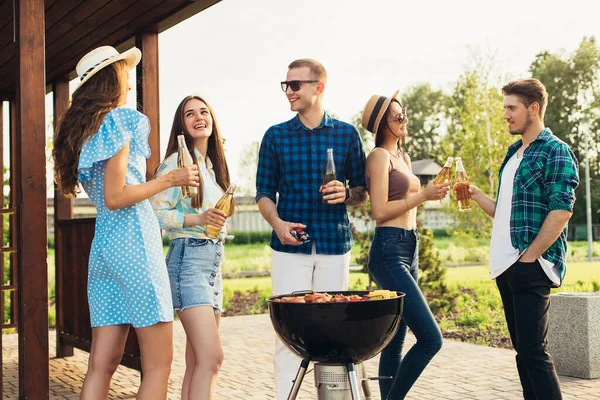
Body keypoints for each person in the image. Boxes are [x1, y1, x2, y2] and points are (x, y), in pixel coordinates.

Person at [52, 46, 199, 399]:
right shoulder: (119, 121)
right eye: (124, 75)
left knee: (101, 364)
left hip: (104, 247)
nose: (129, 85)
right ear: (111, 79)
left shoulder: (82, 134)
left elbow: (105, 198)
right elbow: (116, 196)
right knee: (159, 365)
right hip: (134, 241)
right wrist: (170, 179)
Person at [255, 58, 368, 399]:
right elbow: (263, 193)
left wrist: (347, 193)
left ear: (318, 88)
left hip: (335, 247)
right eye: (286, 85)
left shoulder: (347, 134)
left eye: (295, 85)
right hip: (289, 250)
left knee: (335, 334)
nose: (288, 91)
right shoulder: (275, 136)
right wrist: (277, 224)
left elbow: (363, 190)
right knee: (288, 335)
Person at [465, 78, 579, 400]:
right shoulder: (514, 153)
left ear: (534, 108)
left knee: (534, 352)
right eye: (504, 108)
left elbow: (560, 211)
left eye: (511, 108)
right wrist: (476, 195)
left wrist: (529, 258)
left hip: (531, 264)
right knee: (523, 352)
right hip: (506, 266)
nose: (505, 115)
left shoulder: (556, 151)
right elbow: (505, 212)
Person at [361, 91, 449, 400]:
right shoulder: (379, 157)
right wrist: (423, 195)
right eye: (397, 117)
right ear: (383, 125)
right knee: (430, 339)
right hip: (388, 250)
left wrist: (431, 193)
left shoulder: (404, 157)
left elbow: (408, 205)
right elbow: (381, 211)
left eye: (404, 114)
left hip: (409, 246)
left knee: (397, 338)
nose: (404, 120)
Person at [150, 95, 233, 400]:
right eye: (189, 114)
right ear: (181, 124)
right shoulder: (176, 162)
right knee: (212, 357)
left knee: (199, 360)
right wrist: (197, 217)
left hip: (212, 264)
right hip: (189, 261)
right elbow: (154, 211)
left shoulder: (212, 167)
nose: (199, 117)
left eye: (203, 111)